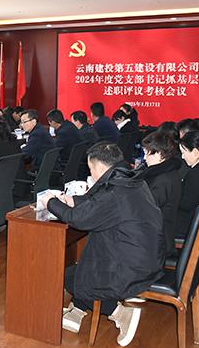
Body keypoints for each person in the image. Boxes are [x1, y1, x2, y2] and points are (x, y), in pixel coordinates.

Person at [39, 142, 164, 346]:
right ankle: (77, 311)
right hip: (147, 255)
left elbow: (79, 219)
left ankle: (119, 313)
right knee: (83, 265)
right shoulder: (131, 180)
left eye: (90, 169)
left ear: (99, 167)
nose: (91, 174)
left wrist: (50, 202)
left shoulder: (115, 192)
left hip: (131, 268)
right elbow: (98, 204)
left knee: (67, 276)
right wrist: (72, 200)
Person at [134, 131, 182, 256]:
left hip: (157, 241)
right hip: (157, 233)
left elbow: (144, 211)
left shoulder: (162, 180)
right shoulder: (167, 171)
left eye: (147, 153)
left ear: (160, 154)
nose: (144, 158)